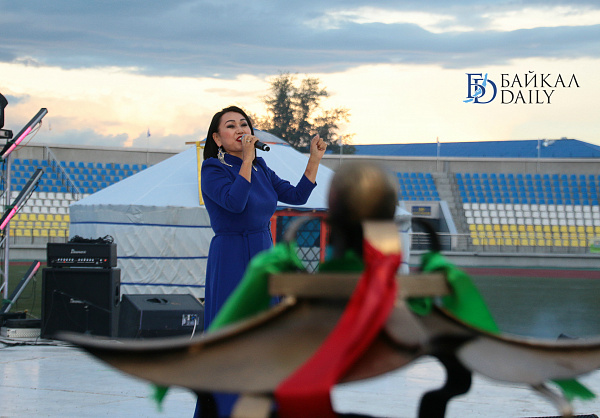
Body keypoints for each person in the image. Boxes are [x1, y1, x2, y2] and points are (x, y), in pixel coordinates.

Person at [196, 105, 326, 417]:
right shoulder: (212, 169)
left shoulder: (261, 167)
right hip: (231, 255)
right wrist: (246, 160)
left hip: (263, 253)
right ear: (217, 138)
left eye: (244, 124)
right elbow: (234, 202)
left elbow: (297, 196)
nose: (240, 130)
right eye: (231, 125)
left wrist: (314, 159)